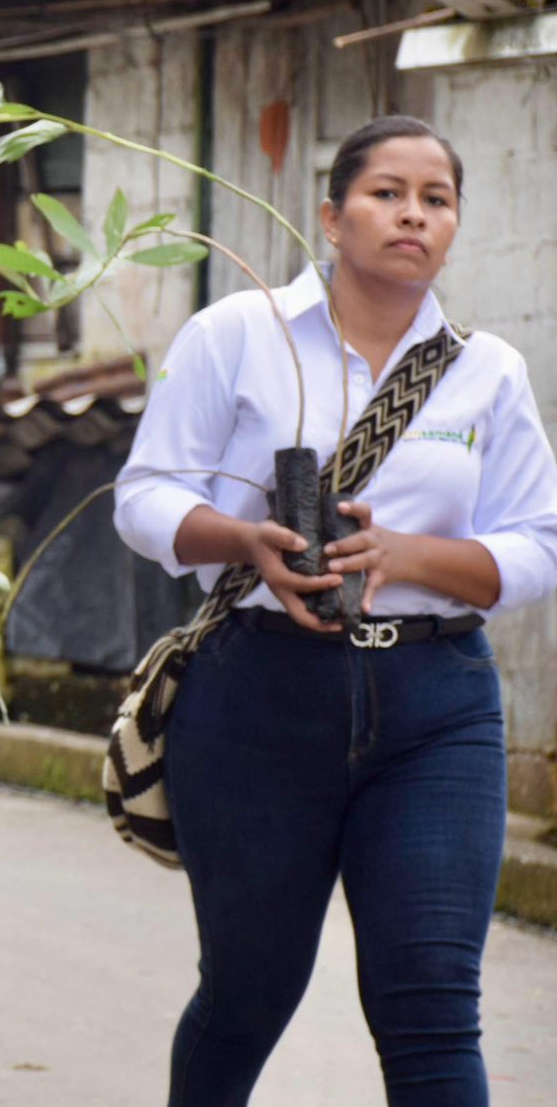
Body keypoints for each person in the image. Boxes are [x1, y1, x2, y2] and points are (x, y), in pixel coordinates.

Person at [115, 116, 557, 1104]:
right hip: (255, 697)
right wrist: (242, 543)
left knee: (431, 1004)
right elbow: (142, 497)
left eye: (434, 199)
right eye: (384, 192)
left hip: (434, 705)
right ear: (329, 214)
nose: (410, 214)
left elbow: (537, 540)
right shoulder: (236, 333)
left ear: (451, 226)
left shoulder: (486, 369)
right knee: (246, 989)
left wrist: (408, 556)